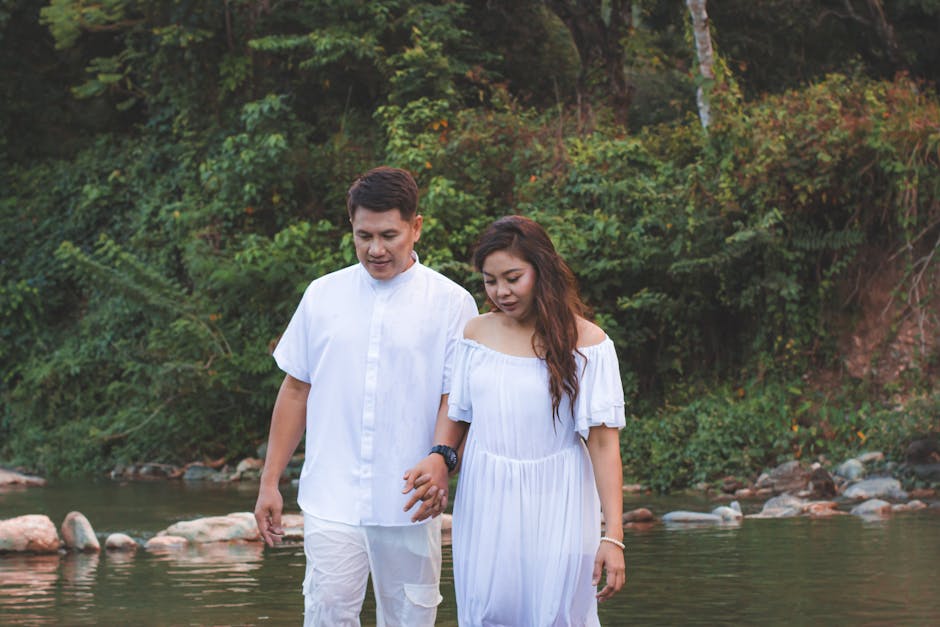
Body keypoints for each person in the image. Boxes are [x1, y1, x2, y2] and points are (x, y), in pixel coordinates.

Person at [253, 166, 478, 627]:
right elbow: (296, 389)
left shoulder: (452, 302)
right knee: (326, 614)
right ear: (351, 228)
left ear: (416, 227)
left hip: (410, 500)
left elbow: (454, 398)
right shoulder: (322, 295)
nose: (376, 249)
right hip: (331, 495)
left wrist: (442, 460)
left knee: (411, 618)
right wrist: (269, 480)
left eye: (389, 235)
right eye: (364, 236)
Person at [406, 215, 627, 626]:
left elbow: (602, 443)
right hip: (487, 495)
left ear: (541, 272)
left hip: (559, 496)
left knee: (558, 613)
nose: (501, 292)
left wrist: (612, 535)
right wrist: (440, 457)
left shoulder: (589, 343)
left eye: (513, 278)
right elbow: (460, 416)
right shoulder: (475, 335)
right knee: (490, 611)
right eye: (491, 281)